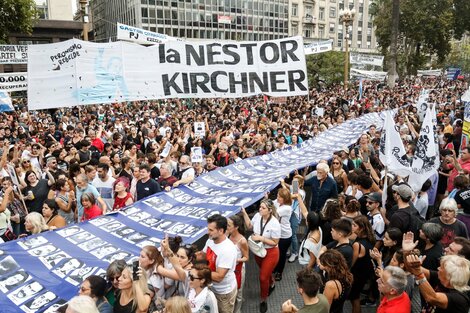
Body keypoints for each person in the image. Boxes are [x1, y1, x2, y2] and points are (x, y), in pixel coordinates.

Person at [241, 200, 281, 313]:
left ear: (269, 210)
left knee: (263, 277)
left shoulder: (274, 223)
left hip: (271, 252)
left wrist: (261, 238)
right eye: (260, 207)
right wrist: (244, 213)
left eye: (263, 208)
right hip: (259, 251)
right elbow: (249, 226)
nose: (260, 209)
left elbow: (275, 242)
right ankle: (272, 283)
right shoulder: (257, 216)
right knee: (266, 273)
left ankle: (263, 300)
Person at [406, 254, 470, 313]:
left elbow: (432, 298)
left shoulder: (459, 299)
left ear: (449, 275)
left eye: (441, 268)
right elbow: (414, 269)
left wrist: (418, 274)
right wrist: (407, 253)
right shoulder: (441, 277)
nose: (438, 268)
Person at [200, 214, 237, 313]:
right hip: (211, 287)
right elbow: (202, 255)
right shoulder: (211, 240)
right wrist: (187, 255)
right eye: (208, 229)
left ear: (221, 231)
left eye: (211, 230)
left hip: (223, 293)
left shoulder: (227, 249)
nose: (208, 232)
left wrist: (198, 272)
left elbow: (219, 277)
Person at [227, 215, 249, 313]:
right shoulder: (227, 235)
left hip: (238, 269)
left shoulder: (242, 241)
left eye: (229, 225)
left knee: (238, 292)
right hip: (228, 268)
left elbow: (246, 257)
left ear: (236, 227)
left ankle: (237, 310)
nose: (226, 227)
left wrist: (236, 260)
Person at [273, 188, 293, 281]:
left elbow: (272, 212)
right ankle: (276, 267)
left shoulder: (287, 208)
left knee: (281, 255)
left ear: (284, 199)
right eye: (277, 195)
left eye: (279, 197)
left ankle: (279, 272)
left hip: (284, 236)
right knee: (277, 253)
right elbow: (271, 203)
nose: (277, 198)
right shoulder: (279, 203)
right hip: (278, 234)